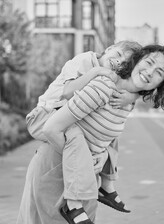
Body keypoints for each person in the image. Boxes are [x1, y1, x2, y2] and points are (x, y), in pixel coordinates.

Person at [16, 44, 164, 224]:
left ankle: (106, 188)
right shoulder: (102, 84)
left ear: (161, 84)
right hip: (57, 170)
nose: (150, 71)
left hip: (84, 179)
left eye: (159, 72)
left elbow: (100, 135)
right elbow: (52, 128)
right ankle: (80, 202)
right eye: (149, 62)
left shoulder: (126, 100)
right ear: (136, 61)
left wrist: (102, 155)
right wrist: (86, 161)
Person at [24, 41, 142, 216]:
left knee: (113, 130)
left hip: (65, 121)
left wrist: (130, 97)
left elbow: (138, 88)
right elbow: (67, 92)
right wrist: (96, 72)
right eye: (117, 55)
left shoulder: (112, 76)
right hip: (44, 115)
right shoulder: (86, 60)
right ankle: (73, 204)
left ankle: (107, 185)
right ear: (109, 49)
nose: (118, 62)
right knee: (75, 133)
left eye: (124, 63)